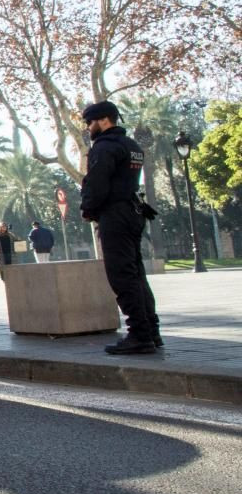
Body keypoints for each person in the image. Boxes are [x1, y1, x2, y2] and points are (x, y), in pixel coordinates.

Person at [80, 100, 160, 355]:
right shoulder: (132, 145)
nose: (88, 127)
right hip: (134, 211)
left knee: (122, 276)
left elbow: (98, 184)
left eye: (90, 122)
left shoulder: (104, 147)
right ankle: (151, 331)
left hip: (115, 214)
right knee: (136, 274)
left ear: (104, 120)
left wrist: (89, 209)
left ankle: (139, 335)